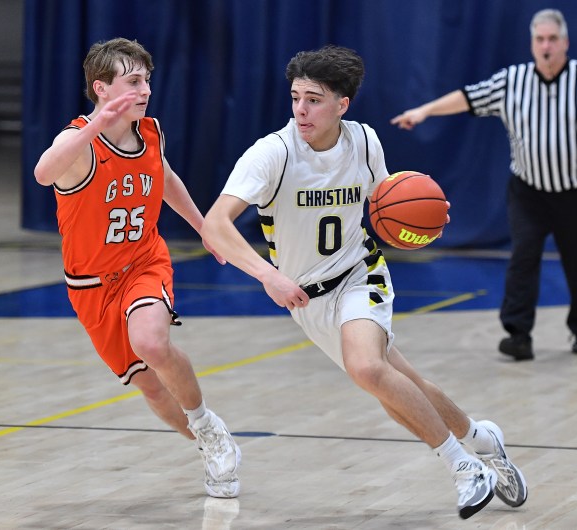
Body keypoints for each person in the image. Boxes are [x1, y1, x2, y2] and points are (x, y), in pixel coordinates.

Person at [202, 45, 527, 519]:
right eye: (295, 97)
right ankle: (481, 438)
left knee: (367, 368)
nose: (300, 109)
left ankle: (464, 469)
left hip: (359, 274)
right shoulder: (273, 153)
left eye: (314, 99)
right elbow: (215, 225)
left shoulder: (364, 141)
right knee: (398, 385)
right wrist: (267, 275)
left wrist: (426, 217)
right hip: (304, 299)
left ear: (342, 105)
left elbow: (388, 201)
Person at [34, 38, 240, 498]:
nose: (144, 89)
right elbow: (44, 173)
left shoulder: (150, 132)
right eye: (132, 81)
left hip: (143, 262)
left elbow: (162, 176)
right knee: (149, 387)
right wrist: (95, 128)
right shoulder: (77, 141)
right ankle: (211, 447)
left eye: (146, 79)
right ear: (101, 88)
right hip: (90, 285)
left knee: (150, 340)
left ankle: (206, 425)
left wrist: (204, 226)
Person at [391, 9, 577, 361]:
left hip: (575, 191)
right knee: (523, 259)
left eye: (552, 39)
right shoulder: (513, 81)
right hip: (529, 191)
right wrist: (425, 111)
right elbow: (468, 97)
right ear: (531, 43)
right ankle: (518, 336)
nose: (546, 46)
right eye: (539, 39)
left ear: (565, 43)